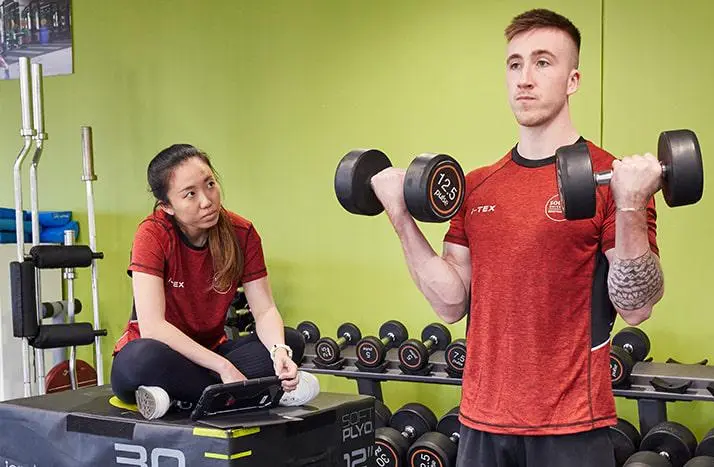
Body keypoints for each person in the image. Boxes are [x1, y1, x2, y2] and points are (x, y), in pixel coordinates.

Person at [369, 9, 665, 467]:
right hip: (481, 423)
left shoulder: (614, 179)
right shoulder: (476, 185)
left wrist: (629, 206)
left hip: (571, 425)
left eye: (543, 62)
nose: (525, 78)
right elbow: (450, 304)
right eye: (514, 64)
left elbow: (636, 306)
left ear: (573, 79)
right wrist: (400, 216)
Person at [111, 143, 319, 420]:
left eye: (210, 184)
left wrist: (279, 352)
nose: (207, 200)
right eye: (190, 194)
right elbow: (153, 327)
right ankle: (245, 395)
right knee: (141, 359)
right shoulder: (152, 234)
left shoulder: (241, 232)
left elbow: (265, 310)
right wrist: (223, 367)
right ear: (167, 206)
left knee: (291, 339)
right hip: (160, 355)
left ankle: (180, 397)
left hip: (210, 353)